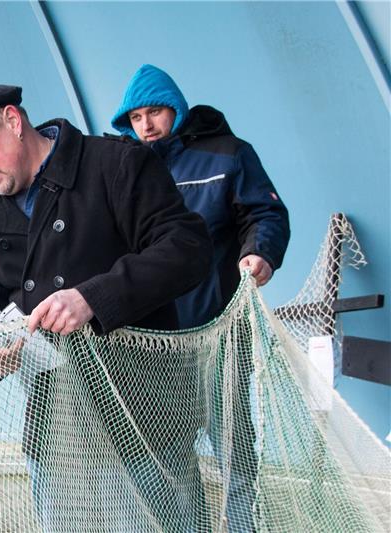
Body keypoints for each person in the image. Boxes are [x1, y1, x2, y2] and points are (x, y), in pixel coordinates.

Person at [0, 85, 213, 531]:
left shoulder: (116, 165)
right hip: (56, 430)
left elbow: (187, 249)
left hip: (143, 414)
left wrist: (92, 298)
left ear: (13, 119)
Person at [111, 64, 291, 533]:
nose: (146, 126)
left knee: (234, 446)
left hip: (219, 331)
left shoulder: (228, 154)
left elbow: (265, 213)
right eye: (135, 118)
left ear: (178, 109)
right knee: (167, 454)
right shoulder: (126, 169)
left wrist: (260, 255)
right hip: (156, 347)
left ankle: (243, 526)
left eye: (155, 112)